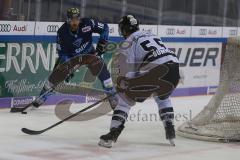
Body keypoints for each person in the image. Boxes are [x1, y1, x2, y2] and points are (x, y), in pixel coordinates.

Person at [98, 15, 180, 148]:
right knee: (163, 97)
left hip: (154, 70)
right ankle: (170, 130)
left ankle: (112, 135)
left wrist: (121, 87)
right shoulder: (151, 34)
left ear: (124, 29)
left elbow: (128, 71)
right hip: (173, 68)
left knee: (124, 101)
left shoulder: (128, 42)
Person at [33, 8, 117, 109]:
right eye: (72, 20)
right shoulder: (62, 32)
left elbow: (105, 28)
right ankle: (42, 96)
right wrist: (67, 65)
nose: (75, 22)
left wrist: (102, 41)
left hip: (89, 54)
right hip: (72, 57)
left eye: (77, 19)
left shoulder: (88, 23)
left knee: (103, 71)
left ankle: (112, 95)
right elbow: (62, 53)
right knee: (56, 75)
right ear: (68, 20)